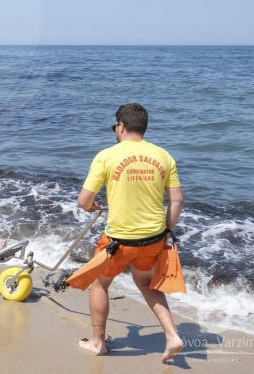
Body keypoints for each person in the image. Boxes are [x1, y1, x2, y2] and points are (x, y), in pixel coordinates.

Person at [76, 103, 184, 361]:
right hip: (153, 238)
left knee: (101, 283)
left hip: (118, 241)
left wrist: (91, 207)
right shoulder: (164, 156)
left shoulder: (107, 156)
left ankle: (98, 343)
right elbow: (177, 201)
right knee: (146, 283)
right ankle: (172, 336)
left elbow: (83, 201)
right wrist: (168, 230)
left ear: (121, 126)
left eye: (115, 126)